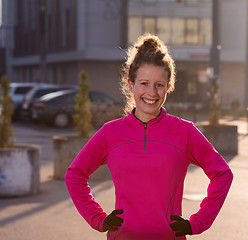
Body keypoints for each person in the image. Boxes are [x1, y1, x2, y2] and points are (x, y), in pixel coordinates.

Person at [65, 33, 233, 240]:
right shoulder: (110, 133)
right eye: (144, 83)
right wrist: (98, 219)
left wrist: (197, 223)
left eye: (159, 85)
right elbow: (75, 175)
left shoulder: (185, 132)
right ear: (130, 85)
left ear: (168, 87)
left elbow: (222, 174)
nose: (151, 92)